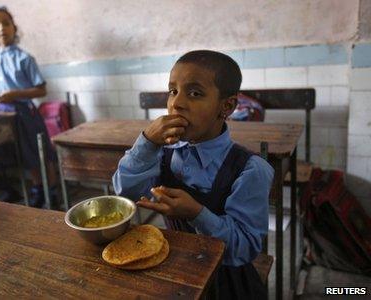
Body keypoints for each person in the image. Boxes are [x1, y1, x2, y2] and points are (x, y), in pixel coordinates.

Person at [113, 50, 273, 299]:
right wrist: (146, 143)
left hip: (226, 282)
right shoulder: (163, 152)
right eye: (172, 91)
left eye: (195, 93)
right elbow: (126, 191)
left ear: (227, 106)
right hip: (175, 269)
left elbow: (246, 247)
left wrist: (198, 214)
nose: (176, 104)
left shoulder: (249, 170)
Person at [0, 6, 57, 208]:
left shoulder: (24, 58)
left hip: (25, 113)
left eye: (6, 23)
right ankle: (37, 189)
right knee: (25, 157)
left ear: (14, 28)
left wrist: (14, 94)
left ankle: (51, 191)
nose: (2, 29)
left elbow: (41, 90)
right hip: (3, 116)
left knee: (40, 153)